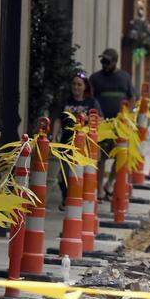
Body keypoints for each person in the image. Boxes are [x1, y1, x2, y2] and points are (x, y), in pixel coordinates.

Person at [89, 48, 136, 195]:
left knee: (121, 155)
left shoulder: (125, 77)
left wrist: (127, 115)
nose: (104, 64)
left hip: (119, 125)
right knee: (101, 156)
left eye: (107, 62)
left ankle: (109, 184)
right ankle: (99, 190)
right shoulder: (95, 78)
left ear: (115, 62)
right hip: (102, 124)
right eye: (102, 61)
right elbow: (90, 98)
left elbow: (132, 97)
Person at [51, 72, 101, 210]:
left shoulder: (92, 102)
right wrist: (54, 137)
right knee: (65, 174)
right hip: (66, 142)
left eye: (79, 84)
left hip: (84, 145)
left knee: (80, 173)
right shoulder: (66, 101)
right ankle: (67, 198)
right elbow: (58, 120)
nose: (76, 87)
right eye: (74, 84)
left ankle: (79, 199)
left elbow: (99, 120)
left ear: (85, 87)